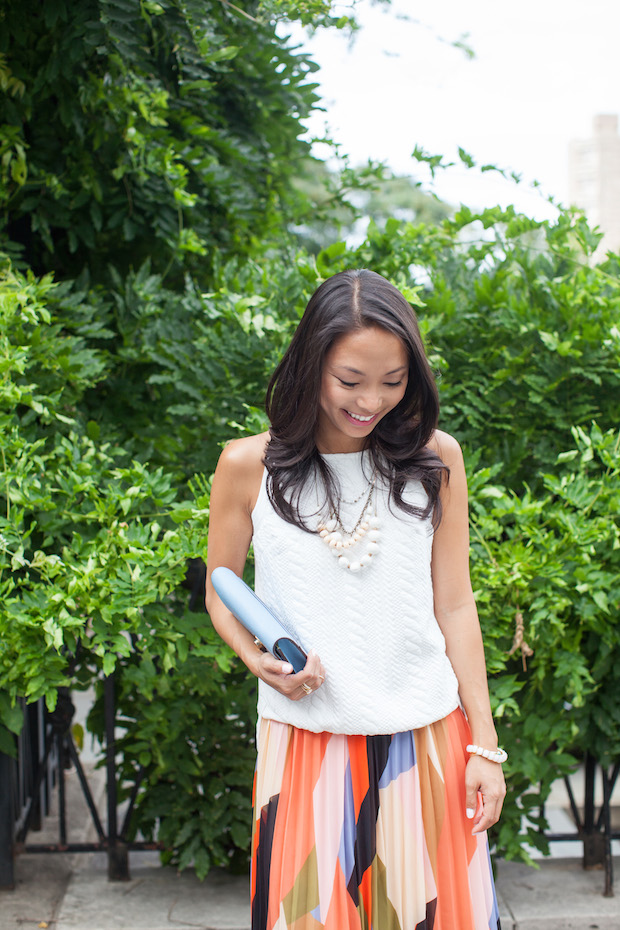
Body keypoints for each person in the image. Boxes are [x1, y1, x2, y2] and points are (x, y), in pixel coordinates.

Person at [205, 269, 506, 930]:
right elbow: (220, 588)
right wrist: (256, 659)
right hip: (306, 740)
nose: (371, 400)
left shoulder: (436, 460)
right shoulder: (244, 467)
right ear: (311, 366)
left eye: (393, 382)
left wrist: (484, 746)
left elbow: (455, 605)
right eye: (350, 380)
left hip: (426, 736)